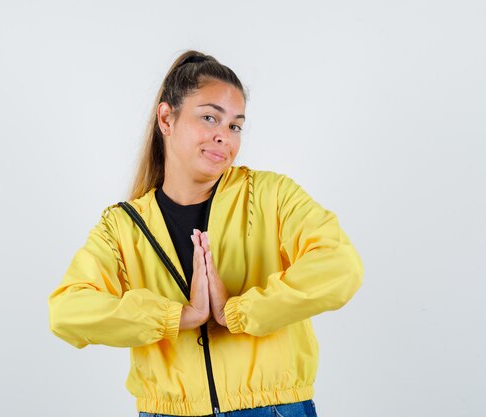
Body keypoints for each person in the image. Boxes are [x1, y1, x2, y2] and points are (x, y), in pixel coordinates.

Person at [48, 50, 364, 417]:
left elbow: (341, 267)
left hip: (273, 408)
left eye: (234, 126)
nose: (223, 137)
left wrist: (239, 312)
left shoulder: (271, 196)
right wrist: (178, 316)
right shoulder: (122, 227)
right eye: (210, 118)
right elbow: (67, 311)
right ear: (166, 118)